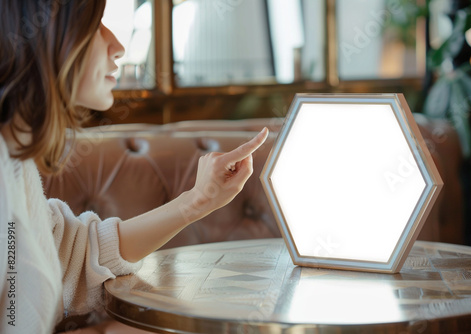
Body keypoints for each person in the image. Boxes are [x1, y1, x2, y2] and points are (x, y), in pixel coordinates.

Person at [0, 1, 269, 333]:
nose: (118, 46)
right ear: (43, 32)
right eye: (95, 24)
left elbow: (71, 256)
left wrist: (198, 200)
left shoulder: (14, 161)